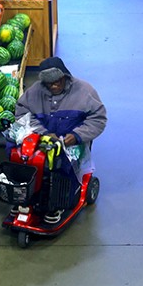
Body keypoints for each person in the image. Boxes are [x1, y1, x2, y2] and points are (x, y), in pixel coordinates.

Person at [16, 56, 106, 224]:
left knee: (61, 165)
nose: (54, 86)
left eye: (58, 81)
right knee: (19, 155)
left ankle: (59, 203)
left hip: (73, 143)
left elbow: (98, 119)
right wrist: (43, 134)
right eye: (49, 84)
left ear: (65, 76)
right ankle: (24, 198)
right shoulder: (34, 92)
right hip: (42, 140)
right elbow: (22, 114)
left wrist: (77, 135)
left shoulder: (85, 91)